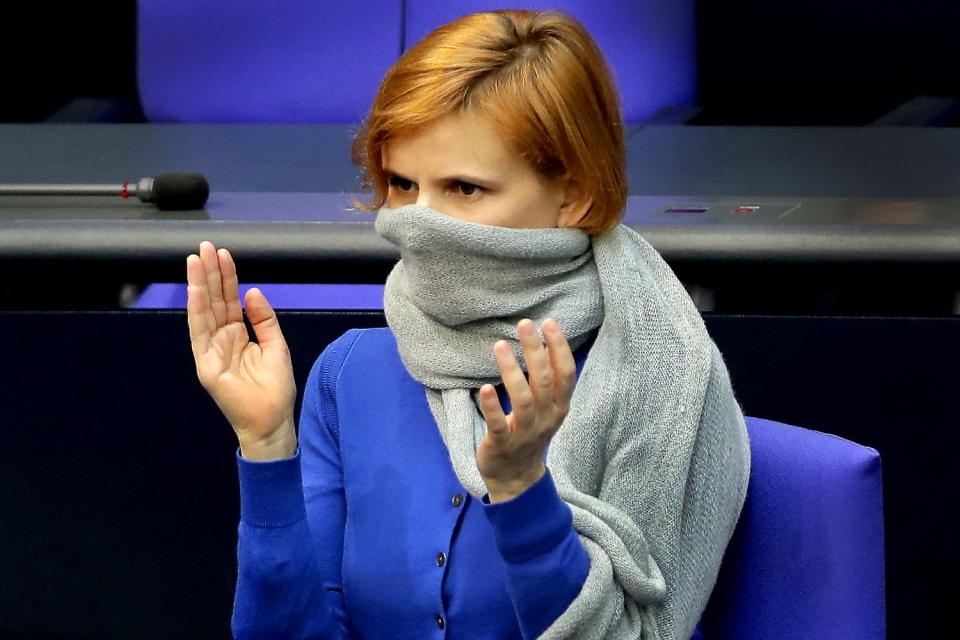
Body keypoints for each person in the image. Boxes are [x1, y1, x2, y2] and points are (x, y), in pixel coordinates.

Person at [186, 9, 750, 640]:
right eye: (402, 184)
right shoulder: (349, 375)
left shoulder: (658, 381)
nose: (419, 222)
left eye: (464, 188)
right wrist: (266, 447)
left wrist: (521, 490)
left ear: (577, 193)